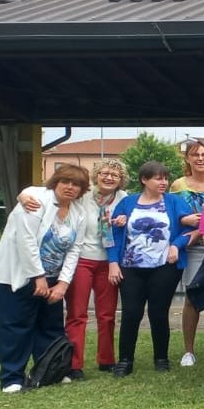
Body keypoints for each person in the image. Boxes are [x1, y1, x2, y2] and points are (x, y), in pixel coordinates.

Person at [17, 159, 130, 379]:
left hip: (109, 262)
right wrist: (22, 196)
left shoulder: (124, 199)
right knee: (77, 314)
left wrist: (125, 220)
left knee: (107, 315)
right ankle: (74, 364)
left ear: (121, 180)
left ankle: (106, 359)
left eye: (115, 175)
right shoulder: (82, 195)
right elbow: (39, 191)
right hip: (81, 259)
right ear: (96, 175)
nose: (109, 178)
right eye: (104, 173)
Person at [0, 164, 89, 392]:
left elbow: (75, 249)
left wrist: (63, 284)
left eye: (76, 184)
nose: (70, 187)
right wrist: (38, 277)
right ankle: (12, 378)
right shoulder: (35, 199)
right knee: (16, 326)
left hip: (54, 278)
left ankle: (49, 373)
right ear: (55, 182)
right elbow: (26, 241)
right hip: (19, 276)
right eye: (65, 182)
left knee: (50, 327)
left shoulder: (79, 212)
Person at [108, 161, 199, 377]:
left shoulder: (174, 201)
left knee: (158, 312)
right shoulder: (127, 203)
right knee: (131, 312)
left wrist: (176, 245)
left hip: (164, 266)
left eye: (166, 178)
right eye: (158, 178)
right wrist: (113, 262)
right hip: (130, 266)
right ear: (144, 180)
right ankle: (125, 360)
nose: (164, 182)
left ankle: (161, 358)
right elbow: (112, 234)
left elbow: (193, 227)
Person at [170, 140, 204, 368]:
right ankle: (188, 351)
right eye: (195, 155)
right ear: (187, 159)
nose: (200, 158)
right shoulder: (177, 185)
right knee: (191, 297)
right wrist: (184, 222)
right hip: (191, 246)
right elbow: (171, 215)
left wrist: (203, 229)